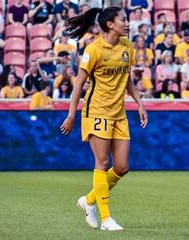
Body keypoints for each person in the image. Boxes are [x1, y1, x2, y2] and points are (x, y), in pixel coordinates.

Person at [60, 6, 148, 231]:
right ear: (110, 24)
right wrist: (71, 116)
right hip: (96, 111)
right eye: (124, 20)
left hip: (119, 113)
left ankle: (88, 201)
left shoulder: (127, 46)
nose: (128, 24)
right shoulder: (94, 50)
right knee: (103, 163)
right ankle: (106, 219)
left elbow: (126, 78)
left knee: (121, 167)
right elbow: (79, 85)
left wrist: (139, 103)